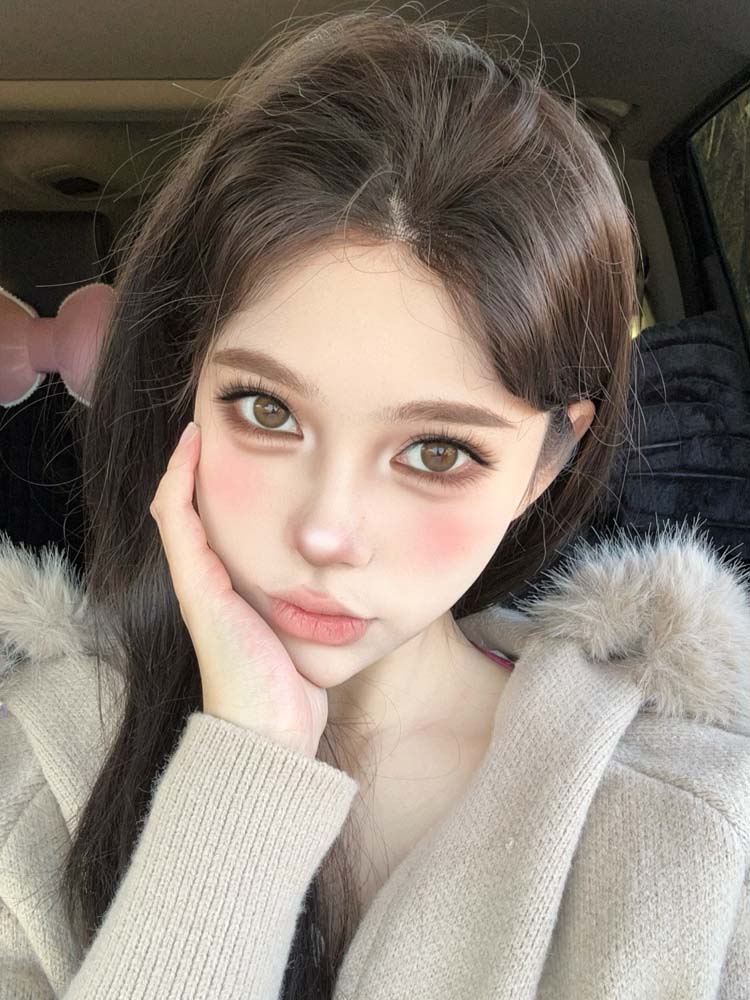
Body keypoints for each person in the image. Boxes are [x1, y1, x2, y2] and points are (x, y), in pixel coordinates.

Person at [1, 8, 748, 999]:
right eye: (266, 409)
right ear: (187, 393)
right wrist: (245, 766)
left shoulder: (704, 833)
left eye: (437, 451)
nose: (326, 530)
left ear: (546, 461)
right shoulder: (30, 776)